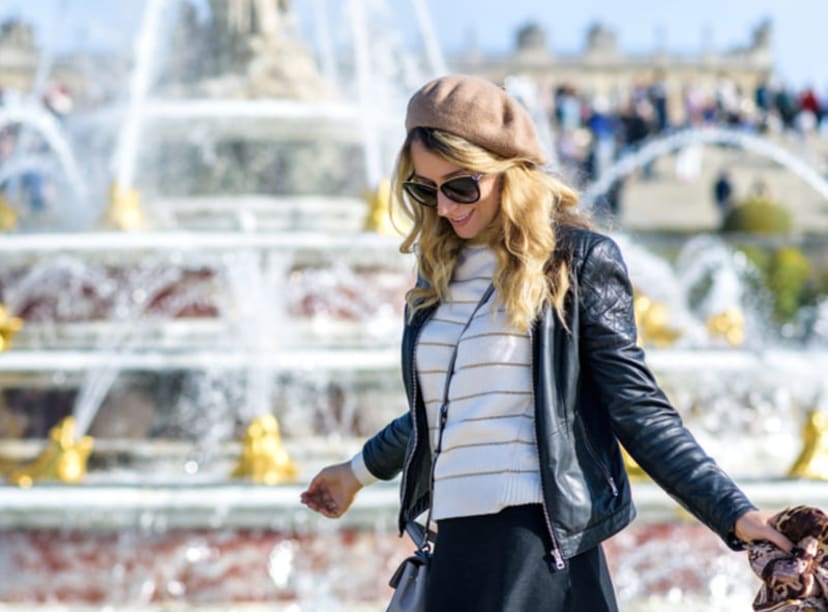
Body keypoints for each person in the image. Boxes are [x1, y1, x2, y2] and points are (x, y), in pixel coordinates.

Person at [300, 74, 793, 611]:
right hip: (451, 551)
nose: (443, 207)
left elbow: (640, 412)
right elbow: (439, 415)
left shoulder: (578, 263)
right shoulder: (437, 277)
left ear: (510, 174)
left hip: (537, 554)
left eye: (460, 187)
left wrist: (735, 513)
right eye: (425, 188)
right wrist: (354, 473)